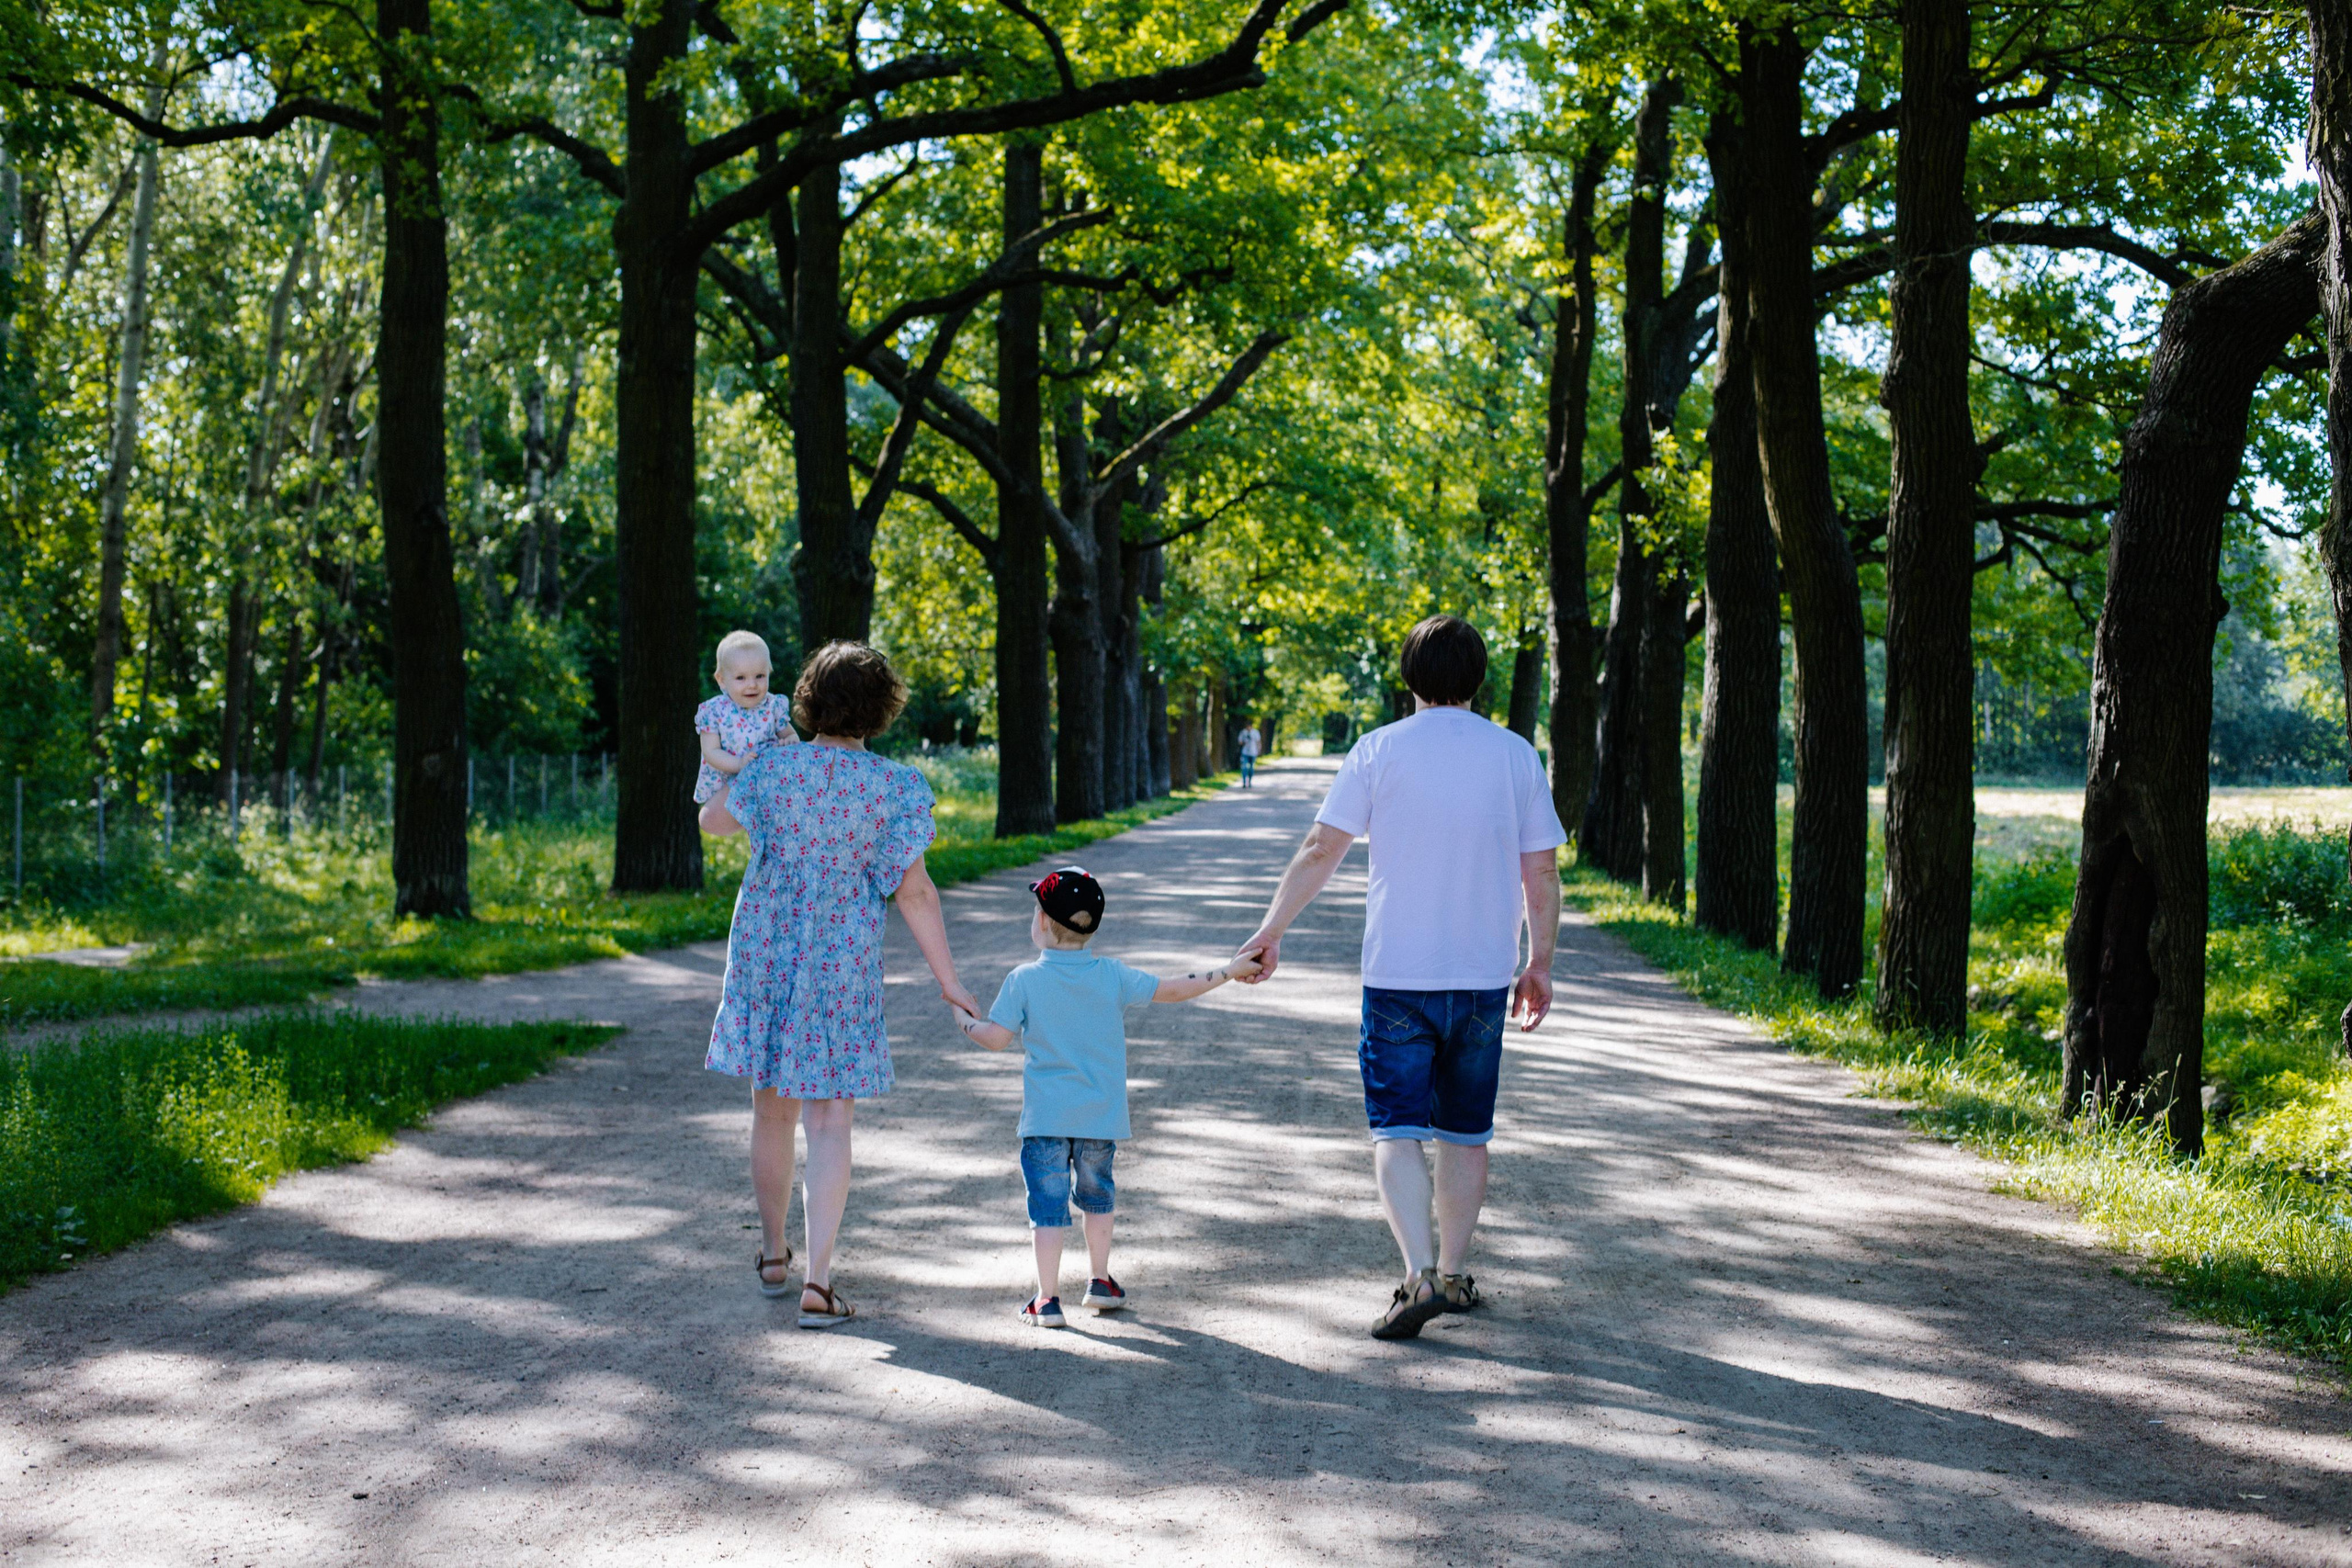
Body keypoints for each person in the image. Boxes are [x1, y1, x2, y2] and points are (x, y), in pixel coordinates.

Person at [1236, 615, 1564, 1341]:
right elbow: (1540, 869)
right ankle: (1451, 1272)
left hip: (1397, 975)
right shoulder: (1515, 757)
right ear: (1480, 679)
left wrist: (1271, 928)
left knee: (1396, 1128)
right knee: (1466, 1132)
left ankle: (1416, 1274)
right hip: (1482, 975)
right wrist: (1538, 961)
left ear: (1408, 678)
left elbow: (1324, 846)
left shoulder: (1377, 750)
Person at [701, 640, 979, 1327]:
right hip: (841, 963)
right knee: (830, 1119)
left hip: (767, 954)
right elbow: (914, 893)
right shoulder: (894, 787)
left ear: (807, 701)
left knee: (772, 1109)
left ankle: (773, 1255)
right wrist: (950, 983)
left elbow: (710, 822)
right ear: (879, 712)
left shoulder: (770, 768)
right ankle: (818, 1283)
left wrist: (727, 753)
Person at [953, 865, 1262, 1328]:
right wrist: (1228, 971)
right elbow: (1174, 989)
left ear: (1040, 922)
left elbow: (995, 1039)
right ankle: (1099, 1281)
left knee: (1047, 1207)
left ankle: (1046, 1299)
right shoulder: (1113, 975)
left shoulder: (1023, 980)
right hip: (1099, 1120)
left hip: (1045, 1122)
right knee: (1097, 1199)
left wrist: (963, 1018)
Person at [694, 629, 797, 805]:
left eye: (760, 676)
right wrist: (739, 764)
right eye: (741, 678)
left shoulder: (773, 706)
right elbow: (711, 752)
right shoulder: (714, 711)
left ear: (769, 673)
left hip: (766, 784)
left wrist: (790, 741)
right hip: (725, 789)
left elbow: (790, 734)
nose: (752, 685)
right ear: (722, 680)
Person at [1237, 718, 1261, 788]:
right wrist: (1245, 741)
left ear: (1251, 726)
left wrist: (1259, 750)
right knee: (1244, 767)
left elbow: (1258, 742)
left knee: (1251, 768)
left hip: (1253, 752)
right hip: (1245, 752)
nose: (1248, 728)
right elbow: (1240, 742)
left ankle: (1250, 782)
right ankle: (1244, 782)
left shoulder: (1255, 732)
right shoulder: (1243, 732)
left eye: (1249, 726)